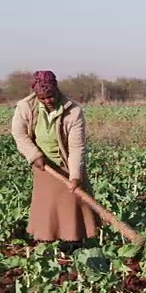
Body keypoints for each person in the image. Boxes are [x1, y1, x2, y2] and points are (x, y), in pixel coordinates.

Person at [11, 70, 99, 250]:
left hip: (67, 163)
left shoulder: (73, 110)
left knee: (72, 204)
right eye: (42, 98)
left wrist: (75, 175)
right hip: (43, 165)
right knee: (46, 207)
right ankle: (47, 244)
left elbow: (76, 147)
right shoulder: (25, 107)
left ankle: (74, 244)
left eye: (50, 96)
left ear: (56, 90)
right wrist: (34, 155)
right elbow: (19, 134)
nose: (47, 101)